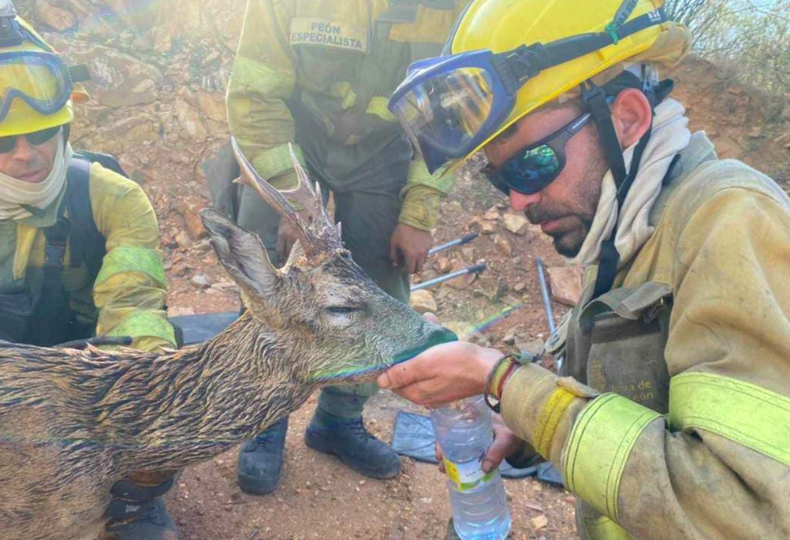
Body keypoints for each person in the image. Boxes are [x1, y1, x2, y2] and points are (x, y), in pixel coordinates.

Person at [380, 0, 790, 538]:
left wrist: (501, 378)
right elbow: (637, 407)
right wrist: (525, 424)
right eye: (503, 180)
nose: (520, 203)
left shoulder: (731, 220)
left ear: (626, 119)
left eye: (534, 163)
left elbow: (743, 510)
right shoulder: (628, 233)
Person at [225, 0, 469, 495]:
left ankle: (337, 420)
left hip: (386, 148)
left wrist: (417, 213)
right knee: (269, 279)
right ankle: (263, 420)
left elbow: (450, 113)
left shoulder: (457, 8)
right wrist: (291, 196)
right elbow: (254, 96)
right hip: (292, 136)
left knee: (380, 283)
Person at [0, 6, 180, 539]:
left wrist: (144, 405)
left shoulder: (114, 197)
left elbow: (136, 304)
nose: (26, 155)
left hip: (93, 387)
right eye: (5, 144)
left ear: (65, 125)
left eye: (41, 135)